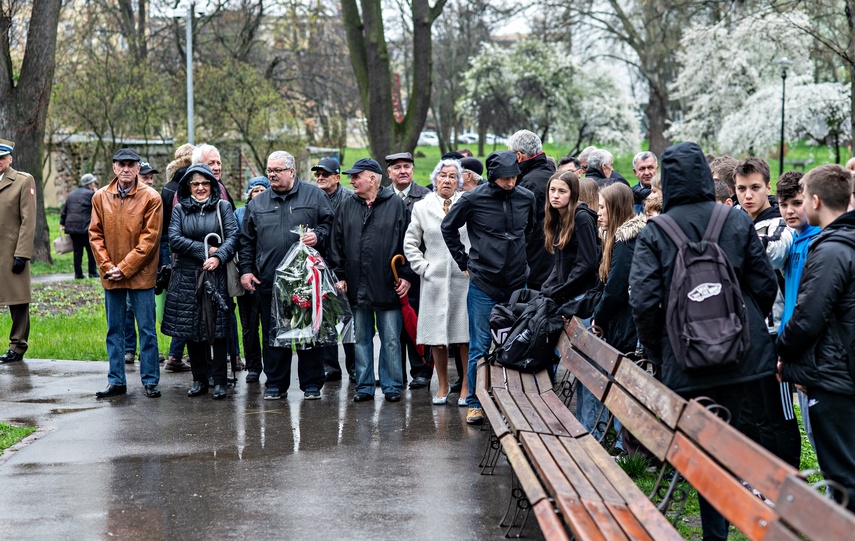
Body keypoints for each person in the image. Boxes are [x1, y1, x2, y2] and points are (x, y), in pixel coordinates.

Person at [630, 141, 778, 541]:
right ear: (704, 174)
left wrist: (662, 354)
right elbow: (764, 283)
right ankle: (750, 519)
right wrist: (742, 323)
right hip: (742, 357)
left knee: (704, 449)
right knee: (739, 438)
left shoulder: (656, 231)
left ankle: (716, 531)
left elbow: (643, 301)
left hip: (687, 358)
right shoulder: (734, 220)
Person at [777, 164, 855, 511]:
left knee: (841, 477)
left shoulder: (831, 248)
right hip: (844, 369)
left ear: (816, 200)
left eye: (803, 198)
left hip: (835, 376)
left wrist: (780, 350)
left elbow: (808, 317)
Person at [442, 150, 536, 425]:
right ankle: (475, 402)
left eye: (514, 177)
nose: (510, 183)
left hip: (518, 282)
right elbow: (448, 227)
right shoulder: (473, 198)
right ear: (493, 176)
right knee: (480, 346)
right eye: (505, 178)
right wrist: (464, 262)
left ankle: (515, 400)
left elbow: (529, 230)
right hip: (483, 282)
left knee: (519, 343)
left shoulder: (525, 197)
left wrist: (518, 255)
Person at [239, 151, 334, 400]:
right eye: (269, 170)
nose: (271, 174)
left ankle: (312, 384)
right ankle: (275, 384)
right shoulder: (257, 203)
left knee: (308, 334)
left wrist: (319, 236)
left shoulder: (314, 196)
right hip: (269, 281)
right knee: (274, 335)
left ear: (291, 172)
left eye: (277, 170)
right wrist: (246, 271)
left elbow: (330, 226)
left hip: (305, 281)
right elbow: (247, 241)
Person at [733, 157, 799, 468]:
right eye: (742, 189)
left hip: (775, 333)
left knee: (779, 413)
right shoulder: (735, 219)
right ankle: (760, 478)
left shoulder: (780, 222)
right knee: (751, 410)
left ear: (767, 188)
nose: (748, 195)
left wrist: (734, 241)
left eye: (755, 188)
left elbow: (773, 253)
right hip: (744, 331)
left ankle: (788, 482)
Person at [329, 158, 412, 403]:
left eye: (356, 177)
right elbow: (337, 243)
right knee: (361, 338)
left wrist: (406, 276)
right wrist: (340, 275)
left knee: (391, 340)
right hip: (356, 285)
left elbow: (410, 243)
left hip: (388, 284)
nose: (351, 181)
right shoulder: (347, 205)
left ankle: (392, 385)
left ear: (373, 178)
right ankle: (364, 386)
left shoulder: (396, 204)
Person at [89, 148, 164, 398]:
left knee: (146, 330)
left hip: (141, 275)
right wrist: (108, 266)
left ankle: (151, 380)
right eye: (121, 164)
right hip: (111, 275)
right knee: (115, 330)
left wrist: (125, 267)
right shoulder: (100, 196)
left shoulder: (151, 197)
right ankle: (116, 381)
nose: (126, 169)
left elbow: (150, 239)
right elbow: (94, 234)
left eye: (131, 164)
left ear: (138, 167)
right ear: (114, 167)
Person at [161, 164, 238, 399]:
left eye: (205, 183)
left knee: (219, 328)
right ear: (188, 186)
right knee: (192, 329)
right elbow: (174, 239)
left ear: (212, 186)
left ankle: (221, 381)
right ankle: (199, 380)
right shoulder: (180, 209)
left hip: (216, 274)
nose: (201, 188)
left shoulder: (222, 207)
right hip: (186, 276)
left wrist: (217, 257)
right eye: (195, 184)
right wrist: (205, 250)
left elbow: (233, 236)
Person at [404, 159, 471, 406]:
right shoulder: (422, 207)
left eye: (453, 176)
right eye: (443, 175)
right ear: (435, 179)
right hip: (433, 279)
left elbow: (474, 237)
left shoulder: (466, 204)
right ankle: (442, 385)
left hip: (461, 279)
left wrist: (471, 266)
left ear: (458, 181)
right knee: (437, 338)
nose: (447, 180)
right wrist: (423, 268)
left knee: (463, 336)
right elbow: (410, 242)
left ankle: (465, 386)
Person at [776, 170, 821, 451]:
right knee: (812, 429)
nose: (789, 211)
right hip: (792, 341)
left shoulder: (820, 240)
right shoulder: (791, 239)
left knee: (822, 434)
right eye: (784, 204)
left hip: (811, 347)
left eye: (796, 202)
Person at [386, 151, 433, 390]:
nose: (403, 171)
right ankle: (396, 374)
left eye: (407, 166)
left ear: (413, 170)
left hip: (418, 274)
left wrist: (410, 274)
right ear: (389, 172)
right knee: (394, 326)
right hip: (390, 274)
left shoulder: (426, 197)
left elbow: (430, 239)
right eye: (397, 167)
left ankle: (422, 369)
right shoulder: (383, 197)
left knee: (417, 322)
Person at [310, 158, 356, 383]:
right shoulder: (311, 197)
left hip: (345, 266)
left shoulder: (349, 198)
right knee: (325, 317)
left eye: (325, 174)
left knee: (348, 318)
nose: (320, 177)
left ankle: (355, 366)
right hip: (318, 265)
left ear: (337, 177)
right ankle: (330, 367)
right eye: (317, 174)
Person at [0, 138, 36, 364]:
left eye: (2, 158)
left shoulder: (23, 181)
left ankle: (17, 345)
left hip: (10, 251)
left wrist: (22, 254)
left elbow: (28, 220)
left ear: (10, 159)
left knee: (18, 300)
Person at [158, 146, 194, 373]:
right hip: (182, 250)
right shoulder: (185, 187)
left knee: (181, 305)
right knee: (187, 305)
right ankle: (176, 354)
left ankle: (176, 353)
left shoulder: (166, 188)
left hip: (170, 249)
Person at [540, 171, 599, 306]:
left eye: (562, 191)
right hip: (568, 293)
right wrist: (548, 287)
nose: (555, 195)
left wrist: (561, 289)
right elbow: (562, 261)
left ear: (573, 194)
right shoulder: (559, 217)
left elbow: (588, 262)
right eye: (552, 190)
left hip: (581, 296)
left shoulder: (581, 218)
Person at [507, 129, 555, 291]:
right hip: (549, 262)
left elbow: (520, 227)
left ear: (519, 156)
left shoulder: (529, 184)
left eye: (510, 154)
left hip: (535, 265)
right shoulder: (550, 173)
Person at [233, 176, 269, 384]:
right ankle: (253, 366)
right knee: (249, 324)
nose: (260, 194)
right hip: (246, 274)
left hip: (268, 275)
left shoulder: (274, 210)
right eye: (256, 190)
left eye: (263, 190)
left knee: (269, 324)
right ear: (249, 194)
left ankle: (271, 365)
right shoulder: (239, 214)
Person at [60, 173, 99, 279]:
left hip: (72, 228)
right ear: (90, 183)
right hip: (85, 228)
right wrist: (96, 193)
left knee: (77, 251)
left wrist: (62, 223)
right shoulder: (91, 194)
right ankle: (92, 272)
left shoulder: (71, 194)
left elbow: (65, 210)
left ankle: (78, 274)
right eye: (93, 182)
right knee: (91, 250)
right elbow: (99, 206)